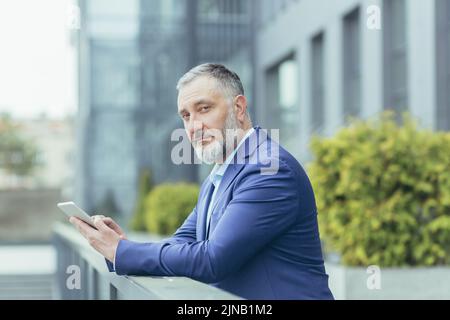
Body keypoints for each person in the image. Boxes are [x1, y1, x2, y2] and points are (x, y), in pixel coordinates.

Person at [70, 63, 334, 300]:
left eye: (204, 109)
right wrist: (124, 247)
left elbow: (213, 259)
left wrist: (122, 252)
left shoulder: (269, 170)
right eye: (185, 116)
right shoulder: (218, 177)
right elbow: (182, 242)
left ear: (238, 108)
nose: (194, 126)